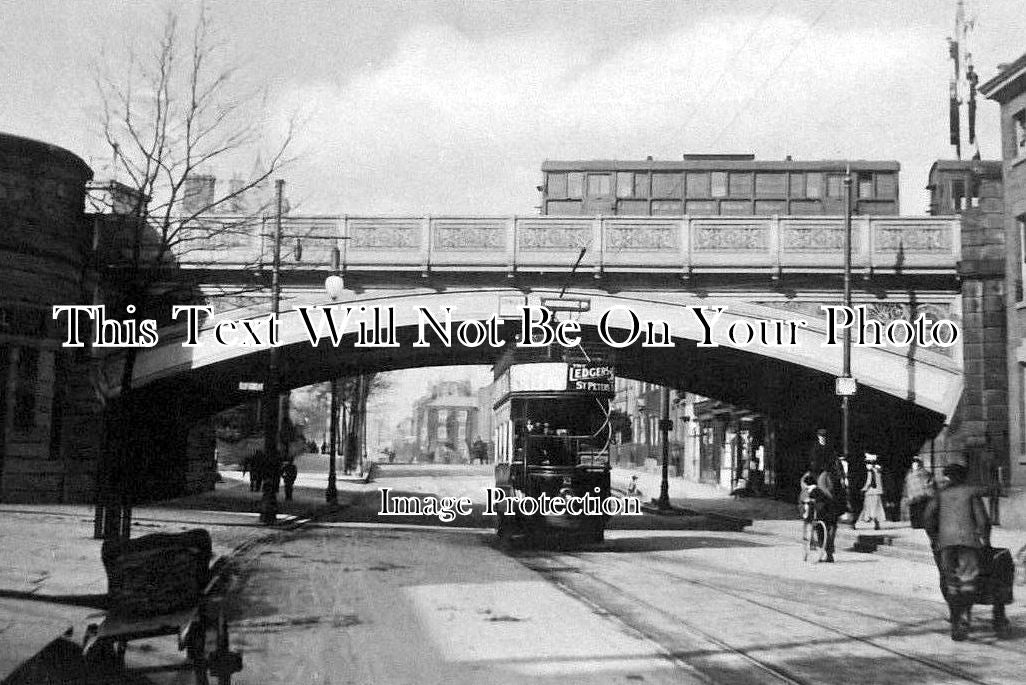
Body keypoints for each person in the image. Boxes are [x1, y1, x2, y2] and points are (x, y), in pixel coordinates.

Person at [923, 462, 1008, 640]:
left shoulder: (941, 494)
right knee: (968, 581)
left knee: (952, 583)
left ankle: (956, 622)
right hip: (968, 543)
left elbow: (928, 517)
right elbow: (982, 520)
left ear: (948, 477)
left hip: (946, 544)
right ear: (963, 477)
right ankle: (963, 619)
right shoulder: (970, 493)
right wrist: (986, 541)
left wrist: (935, 538)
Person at [903, 458, 935, 529]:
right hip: (913, 496)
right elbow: (907, 485)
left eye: (916, 464)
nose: (915, 465)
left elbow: (929, 483)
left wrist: (927, 491)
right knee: (914, 511)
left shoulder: (924, 473)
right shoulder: (909, 474)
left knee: (921, 510)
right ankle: (915, 524)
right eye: (913, 464)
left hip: (922, 495)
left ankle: (921, 524)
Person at [858, 453, 885, 530]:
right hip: (877, 492)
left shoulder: (870, 472)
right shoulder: (877, 470)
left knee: (870, 508)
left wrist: (863, 489)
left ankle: (872, 522)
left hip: (870, 492)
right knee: (876, 508)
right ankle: (876, 523)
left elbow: (869, 482)